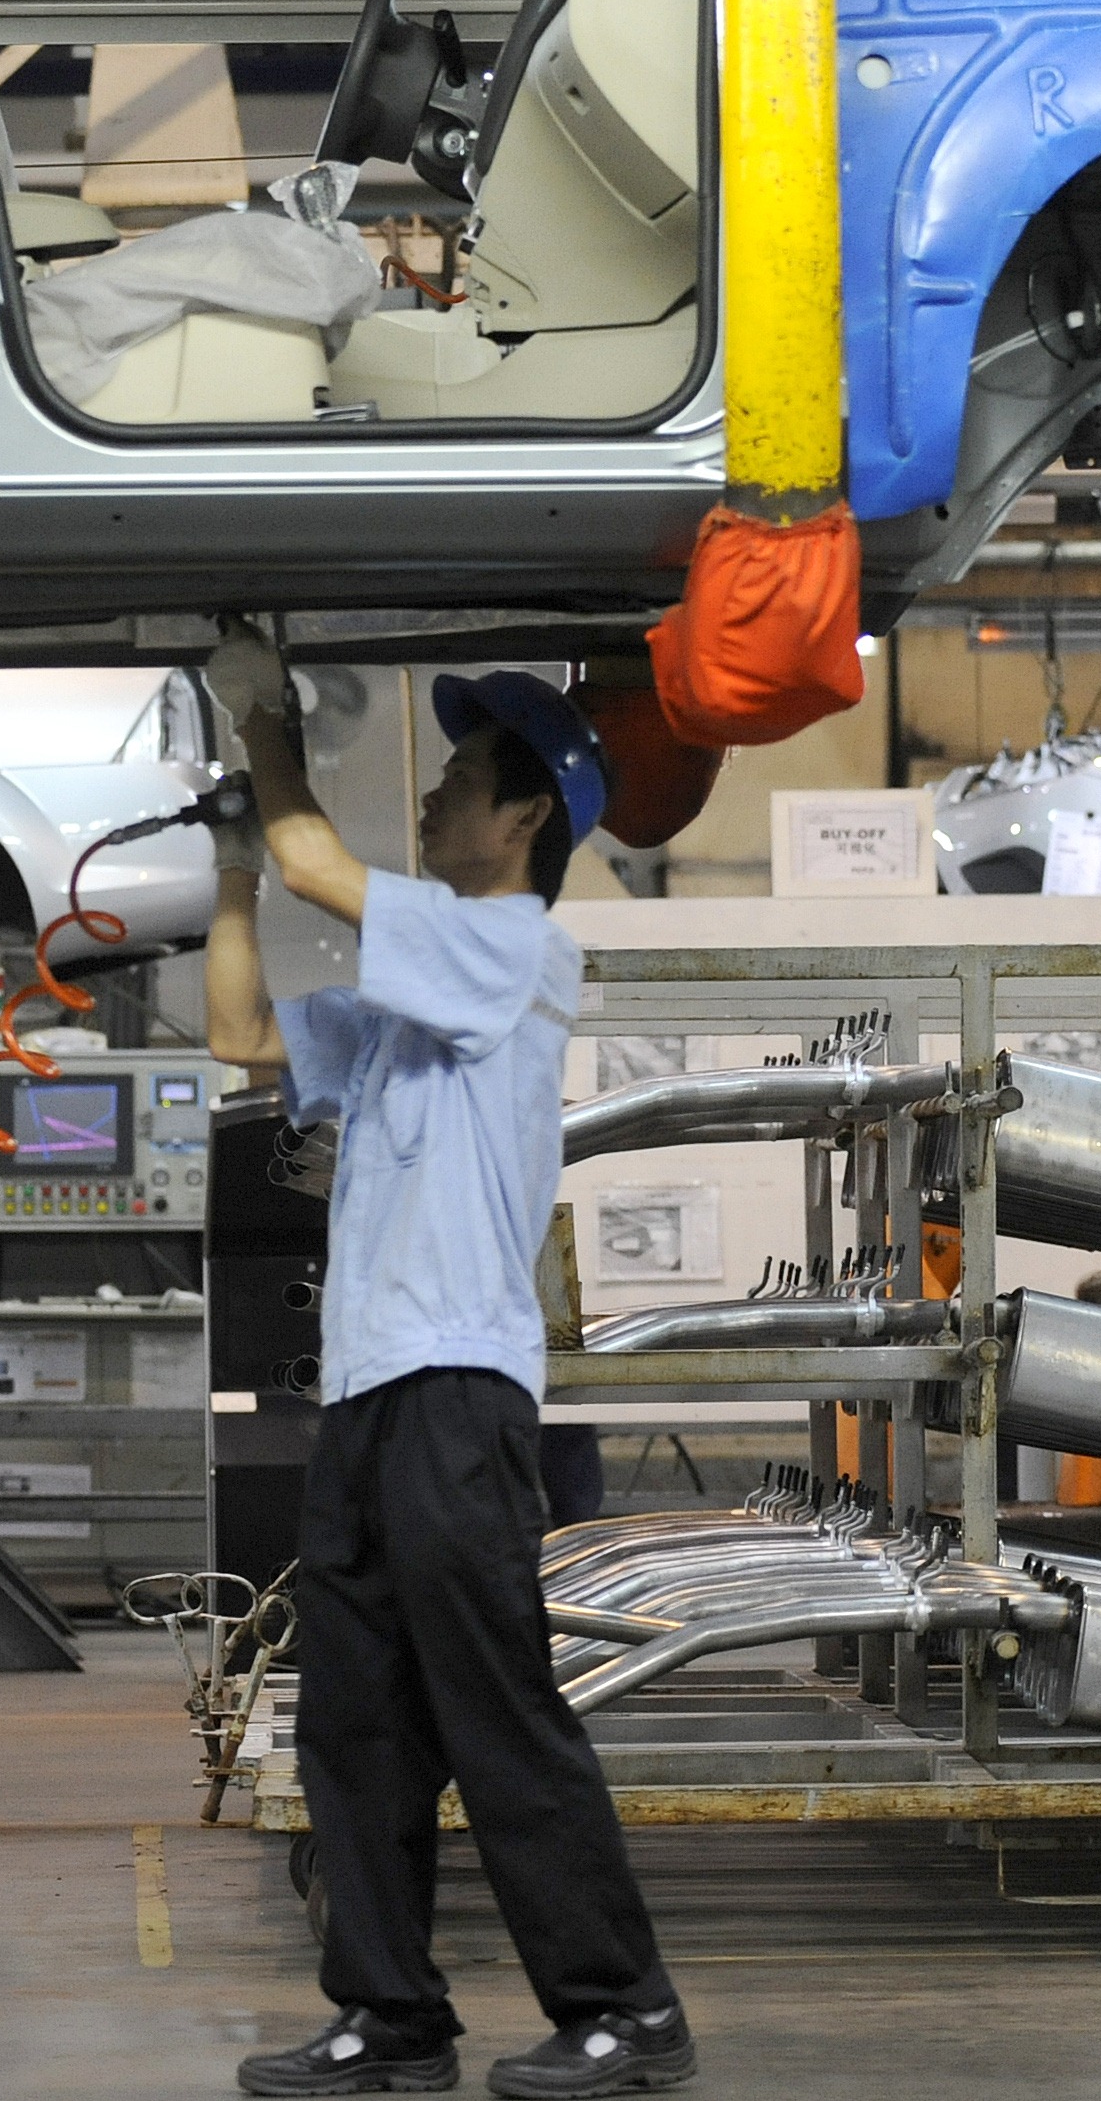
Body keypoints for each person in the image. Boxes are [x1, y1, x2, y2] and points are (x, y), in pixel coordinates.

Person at [200, 638, 688, 2101]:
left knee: (494, 1697)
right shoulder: (417, 1005)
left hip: (457, 1392)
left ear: (525, 818)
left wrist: (267, 716)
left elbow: (314, 854)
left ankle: (625, 2005)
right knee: (353, 1713)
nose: (433, 801)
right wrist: (229, 867)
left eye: (460, 779)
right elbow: (238, 1030)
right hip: (368, 1391)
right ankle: (392, 2012)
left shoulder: (514, 947)